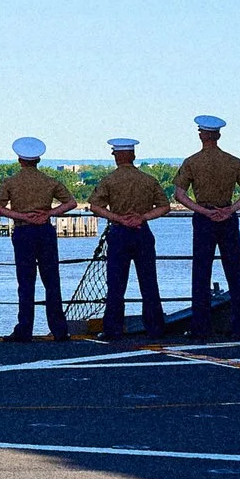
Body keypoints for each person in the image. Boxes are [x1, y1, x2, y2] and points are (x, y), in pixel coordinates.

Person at [174, 115, 240, 341]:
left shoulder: (191, 162)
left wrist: (203, 211)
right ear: (218, 135)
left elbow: (180, 195)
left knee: (201, 272)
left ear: (201, 135)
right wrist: (231, 210)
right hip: (228, 217)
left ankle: (201, 326)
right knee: (235, 271)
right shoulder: (233, 161)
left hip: (204, 218)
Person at [0, 137, 75, 343]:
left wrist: (22, 216)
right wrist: (49, 213)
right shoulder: (50, 181)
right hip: (45, 231)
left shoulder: (11, 182)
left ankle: (24, 329)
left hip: (23, 232)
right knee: (52, 281)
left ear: (19, 160)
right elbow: (71, 203)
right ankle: (59, 329)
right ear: (38, 160)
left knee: (26, 282)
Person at [89, 138, 168, 340]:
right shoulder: (148, 180)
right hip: (142, 231)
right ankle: (155, 327)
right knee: (149, 282)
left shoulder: (109, 180)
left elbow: (95, 207)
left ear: (116, 156)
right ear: (133, 156)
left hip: (119, 233)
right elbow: (164, 206)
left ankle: (113, 328)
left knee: (116, 284)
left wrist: (119, 218)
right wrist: (142, 217)